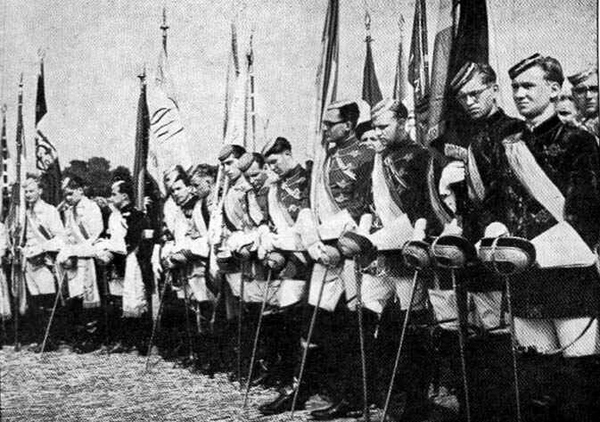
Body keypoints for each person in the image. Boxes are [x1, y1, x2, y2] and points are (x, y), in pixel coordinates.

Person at [489, 54, 600, 422]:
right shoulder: (509, 145)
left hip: (568, 273)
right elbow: (498, 204)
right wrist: (495, 228)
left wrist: (533, 250)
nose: (519, 94)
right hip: (524, 278)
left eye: (528, 86)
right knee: (536, 379)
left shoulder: (579, 142)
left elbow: (586, 215)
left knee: (579, 377)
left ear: (554, 90)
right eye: (515, 87)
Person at [436, 62, 527, 422]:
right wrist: (446, 192)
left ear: (493, 90)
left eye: (476, 93)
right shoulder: (460, 136)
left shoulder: (514, 131)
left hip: (502, 245)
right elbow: (459, 202)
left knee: (499, 335)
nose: (470, 102)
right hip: (469, 247)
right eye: (463, 97)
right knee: (469, 336)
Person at [303, 100, 375, 419]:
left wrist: (332, 237)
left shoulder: (365, 155)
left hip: (353, 247)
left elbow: (363, 205)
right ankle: (338, 390)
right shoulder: (327, 157)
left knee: (353, 325)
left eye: (331, 123)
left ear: (348, 125)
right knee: (330, 322)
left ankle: (358, 396)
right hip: (327, 248)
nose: (325, 129)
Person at [365, 98, 436, 422]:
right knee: (386, 326)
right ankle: (392, 396)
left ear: (403, 122)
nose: (377, 133)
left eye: (383, 127)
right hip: (383, 253)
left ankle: (417, 402)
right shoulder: (378, 160)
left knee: (414, 329)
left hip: (411, 251)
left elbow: (424, 207)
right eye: (375, 127)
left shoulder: (419, 157)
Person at [160, 169, 214, 370]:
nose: (175, 193)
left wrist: (185, 253)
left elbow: (205, 239)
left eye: (179, 188)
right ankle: (195, 355)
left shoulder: (198, 207)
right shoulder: (179, 210)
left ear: (189, 188)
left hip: (199, 266)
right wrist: (171, 255)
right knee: (190, 310)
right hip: (183, 266)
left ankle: (209, 358)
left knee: (203, 310)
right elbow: (178, 238)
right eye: (172, 190)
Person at [94, 180, 151, 354]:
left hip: (131, 265)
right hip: (116, 265)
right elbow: (108, 236)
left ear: (124, 196)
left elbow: (131, 242)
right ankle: (122, 340)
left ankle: (139, 342)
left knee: (134, 301)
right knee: (117, 302)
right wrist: (102, 246)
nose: (111, 198)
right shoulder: (113, 216)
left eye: (114, 194)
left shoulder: (136, 216)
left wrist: (111, 250)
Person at [56, 175, 104, 353]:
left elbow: (95, 235)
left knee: (89, 299)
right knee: (76, 298)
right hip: (74, 259)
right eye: (65, 195)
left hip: (88, 257)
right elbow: (68, 235)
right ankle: (80, 336)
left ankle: (92, 338)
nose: (67, 198)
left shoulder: (91, 208)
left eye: (70, 194)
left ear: (80, 191)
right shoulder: (69, 211)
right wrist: (67, 251)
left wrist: (76, 251)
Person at [19, 174, 65, 351]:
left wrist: (41, 249)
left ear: (40, 191)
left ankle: (51, 340)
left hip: (44, 261)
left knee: (47, 300)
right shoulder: (24, 213)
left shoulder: (49, 211)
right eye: (26, 191)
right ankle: (41, 338)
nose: (28, 194)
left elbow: (60, 238)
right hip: (28, 261)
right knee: (36, 302)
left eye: (31, 190)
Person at [568, 66, 599, 138]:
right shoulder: (570, 130)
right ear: (574, 96)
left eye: (594, 89)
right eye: (581, 91)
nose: (588, 96)